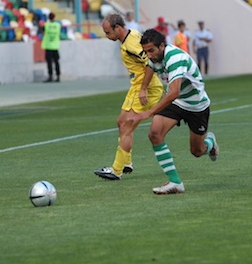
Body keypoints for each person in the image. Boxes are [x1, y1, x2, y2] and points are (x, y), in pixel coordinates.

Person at [129, 28, 219, 195]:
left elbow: (174, 92)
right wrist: (143, 89)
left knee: (197, 151)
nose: (148, 55)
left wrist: (148, 113)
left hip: (195, 105)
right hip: (177, 102)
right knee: (154, 134)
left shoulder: (175, 58)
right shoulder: (154, 56)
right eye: (145, 51)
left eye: (151, 50)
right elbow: (150, 67)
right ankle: (175, 182)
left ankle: (210, 143)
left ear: (162, 46)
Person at [93, 13, 164, 180]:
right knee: (121, 122)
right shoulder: (130, 36)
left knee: (126, 126)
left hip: (146, 88)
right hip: (137, 87)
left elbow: (150, 62)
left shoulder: (131, 43)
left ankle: (116, 170)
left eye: (108, 32)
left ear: (118, 28)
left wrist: (144, 89)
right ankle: (126, 163)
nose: (107, 35)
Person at [41, 12, 61, 82]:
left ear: (48, 18)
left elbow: (43, 33)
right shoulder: (58, 25)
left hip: (48, 45)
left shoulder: (46, 25)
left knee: (49, 62)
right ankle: (58, 76)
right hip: (55, 46)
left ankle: (50, 76)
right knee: (56, 62)